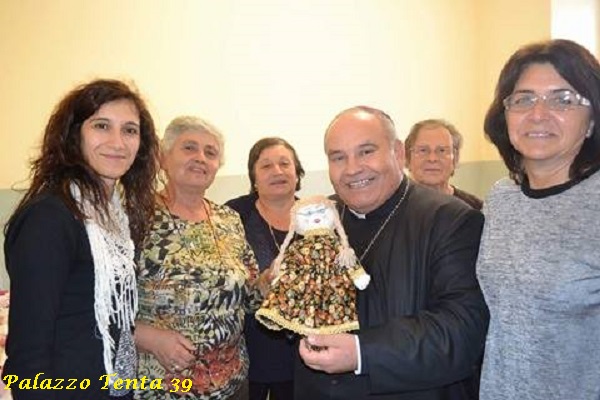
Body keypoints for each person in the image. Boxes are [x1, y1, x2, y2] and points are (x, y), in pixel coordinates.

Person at [295, 105, 489, 399]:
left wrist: (362, 352)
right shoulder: (319, 219)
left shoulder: (451, 220)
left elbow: (461, 331)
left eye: (366, 151)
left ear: (398, 153)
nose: (352, 168)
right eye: (338, 157)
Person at [2, 79, 160, 399]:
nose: (118, 142)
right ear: (74, 135)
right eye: (101, 126)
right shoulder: (50, 217)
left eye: (130, 130)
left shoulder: (115, 219)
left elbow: (115, 325)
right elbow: (28, 351)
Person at [477, 39, 600, 400]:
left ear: (592, 121)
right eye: (524, 99)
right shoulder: (502, 198)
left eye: (563, 100)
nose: (538, 114)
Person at [134, 116, 270, 400]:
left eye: (210, 152)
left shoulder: (228, 219)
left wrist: (268, 282)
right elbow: (100, 308)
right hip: (163, 386)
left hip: (232, 382)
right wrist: (147, 337)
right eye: (189, 148)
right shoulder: (135, 217)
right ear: (163, 157)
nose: (200, 158)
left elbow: (247, 299)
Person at [226, 137, 303, 400]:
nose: (277, 171)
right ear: (254, 178)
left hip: (300, 354)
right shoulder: (233, 215)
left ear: (297, 174)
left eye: (285, 164)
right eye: (266, 166)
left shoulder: (315, 217)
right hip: (247, 350)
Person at [405, 119, 483, 210]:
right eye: (423, 150)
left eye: (442, 150)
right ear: (407, 158)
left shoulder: (475, 208)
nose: (432, 159)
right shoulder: (395, 206)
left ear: (455, 158)